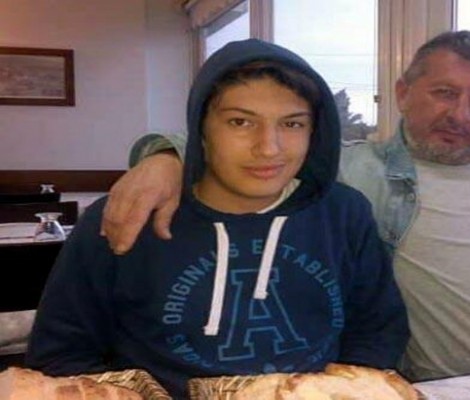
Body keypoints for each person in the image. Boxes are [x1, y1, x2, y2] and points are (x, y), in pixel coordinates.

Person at [100, 30, 470, 382]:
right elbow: (250, 147)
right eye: (444, 93)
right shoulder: (355, 171)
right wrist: (164, 157)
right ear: (402, 93)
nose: (462, 114)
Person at [26, 39, 409, 399]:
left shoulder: (344, 213)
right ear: (201, 131)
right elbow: (61, 355)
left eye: (292, 124)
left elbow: (376, 331)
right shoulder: (127, 216)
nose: (268, 148)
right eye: (240, 122)